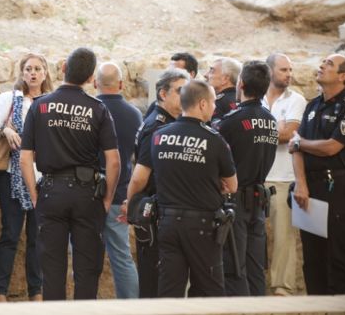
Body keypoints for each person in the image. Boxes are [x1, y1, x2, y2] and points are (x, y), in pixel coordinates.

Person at [20, 47, 120, 300]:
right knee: (87, 270)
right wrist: (107, 200)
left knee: (52, 271)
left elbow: (24, 158)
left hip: (51, 192)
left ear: (63, 68)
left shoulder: (40, 106)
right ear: (90, 79)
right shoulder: (98, 109)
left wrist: (34, 196)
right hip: (88, 195)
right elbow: (114, 161)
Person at [151, 80, 238, 297]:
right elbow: (232, 185)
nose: (215, 108)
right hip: (202, 226)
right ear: (201, 104)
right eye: (211, 103)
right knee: (209, 292)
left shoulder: (159, 136)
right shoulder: (214, 140)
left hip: (168, 223)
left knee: (169, 292)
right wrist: (211, 181)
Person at [0, 53, 53, 302]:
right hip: (11, 176)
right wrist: (5, 130)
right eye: (28, 69)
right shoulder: (9, 99)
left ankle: (36, 292)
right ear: (22, 73)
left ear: (45, 73)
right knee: (10, 234)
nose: (32, 73)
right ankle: (0, 292)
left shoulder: (51, 103)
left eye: (37, 68)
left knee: (37, 237)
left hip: (42, 178)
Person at [214, 61, 278, 296]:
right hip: (259, 199)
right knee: (254, 267)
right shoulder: (271, 120)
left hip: (236, 200)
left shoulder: (230, 121)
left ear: (240, 83)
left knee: (234, 267)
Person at [125, 68, 190, 298]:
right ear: (163, 94)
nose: (186, 96)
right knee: (155, 284)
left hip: (163, 211)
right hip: (153, 213)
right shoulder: (158, 126)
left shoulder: (167, 120)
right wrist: (129, 203)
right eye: (181, 91)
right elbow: (141, 175)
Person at [289, 53, 345, 295]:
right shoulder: (312, 105)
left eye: (329, 64)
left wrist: (300, 143)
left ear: (343, 76)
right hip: (310, 189)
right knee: (313, 257)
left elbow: (332, 147)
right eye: (323, 62)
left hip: (337, 189)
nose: (322, 66)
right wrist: (301, 184)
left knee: (337, 255)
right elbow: (295, 149)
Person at [94, 62, 142, 299]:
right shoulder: (134, 114)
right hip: (120, 195)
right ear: (122, 85)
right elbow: (138, 158)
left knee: (85, 257)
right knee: (122, 257)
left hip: (89, 195)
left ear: (95, 83)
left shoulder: (90, 110)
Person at [262, 53, 306, 296]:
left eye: (290, 69)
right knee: (253, 238)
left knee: (284, 239)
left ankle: (282, 290)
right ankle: (254, 287)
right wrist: (275, 129)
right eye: (283, 70)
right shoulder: (255, 98)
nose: (289, 74)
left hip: (284, 178)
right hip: (257, 179)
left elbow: (289, 135)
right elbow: (277, 133)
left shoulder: (296, 100)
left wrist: (258, 133)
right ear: (269, 72)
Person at [145, 52, 198, 117]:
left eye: (176, 71)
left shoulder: (200, 105)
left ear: (191, 75)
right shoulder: (160, 104)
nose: (169, 75)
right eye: (169, 71)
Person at [205, 57, 241, 125]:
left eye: (212, 71)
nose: (205, 75)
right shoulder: (244, 101)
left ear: (225, 79)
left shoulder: (216, 102)